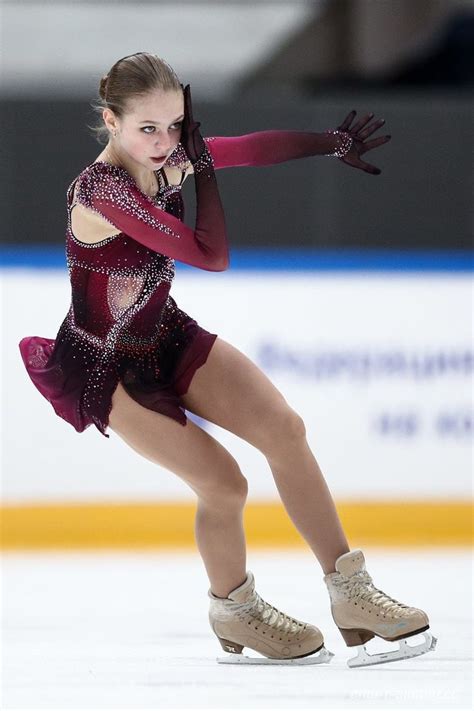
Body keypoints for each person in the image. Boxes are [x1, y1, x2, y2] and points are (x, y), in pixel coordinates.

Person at [18, 52, 436, 667]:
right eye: (147, 129)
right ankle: (234, 607)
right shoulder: (102, 193)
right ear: (111, 121)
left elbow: (250, 147)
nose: (164, 144)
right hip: (109, 369)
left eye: (174, 127)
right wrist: (204, 167)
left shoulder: (172, 154)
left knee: (285, 431)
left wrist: (329, 141)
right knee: (224, 485)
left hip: (168, 334)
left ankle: (351, 594)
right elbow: (210, 255)